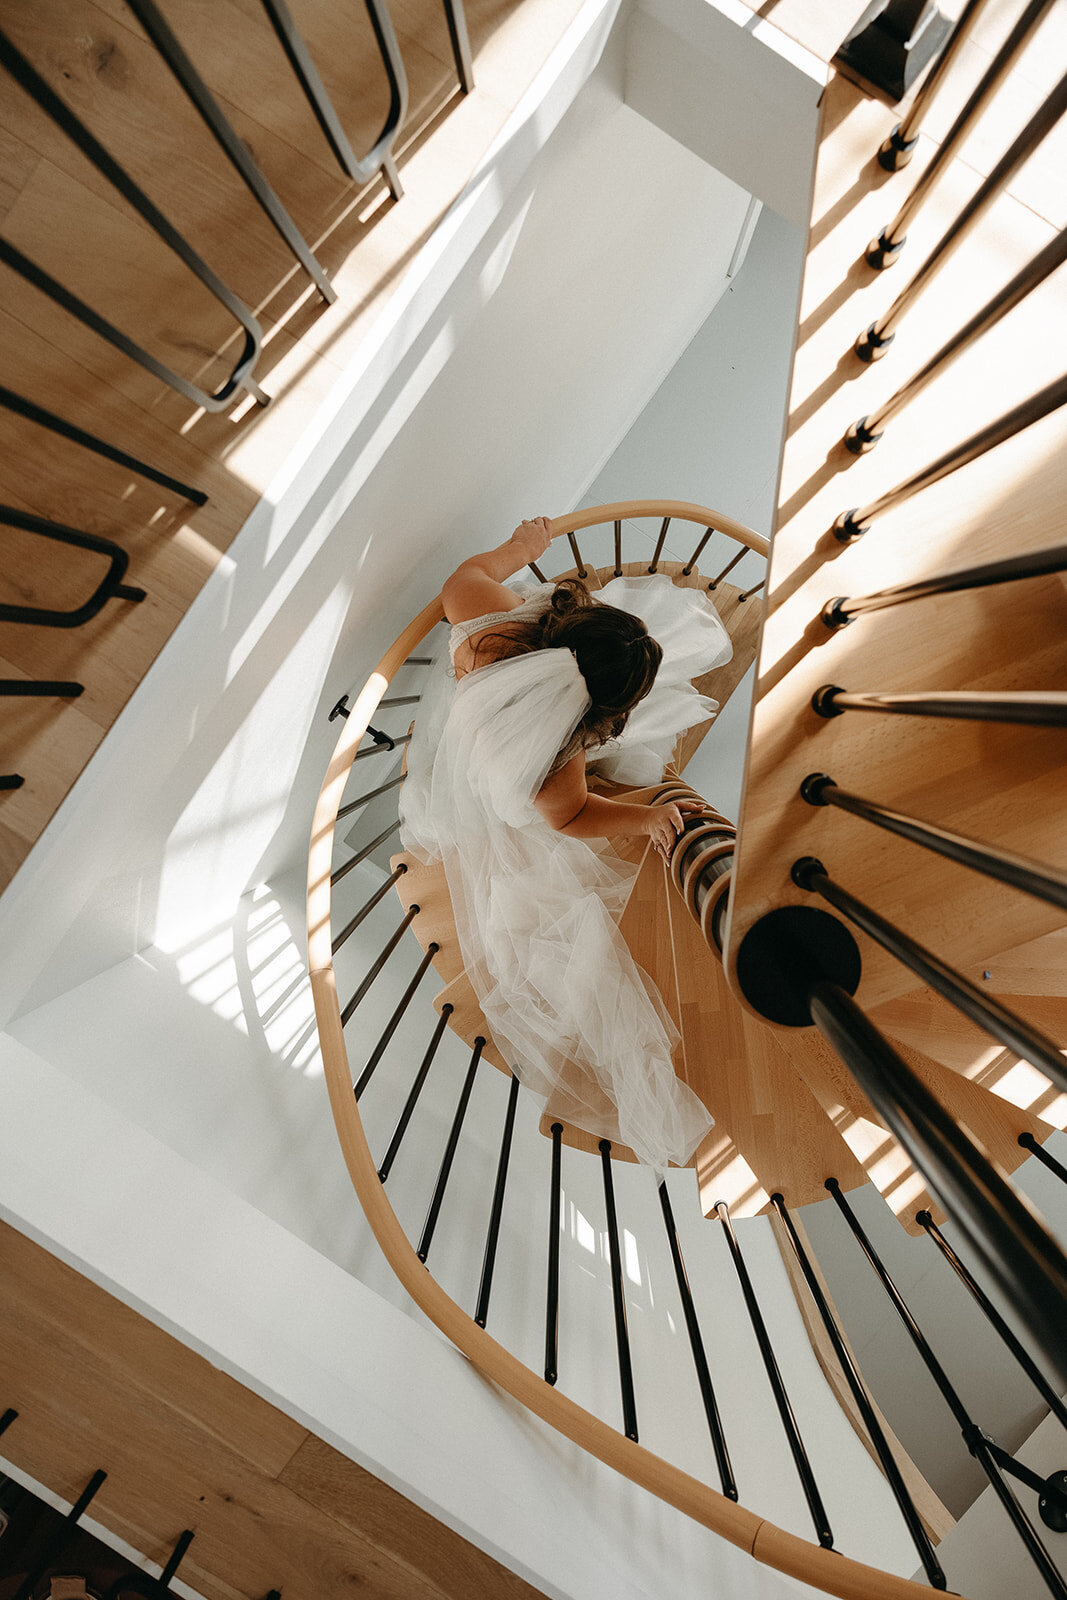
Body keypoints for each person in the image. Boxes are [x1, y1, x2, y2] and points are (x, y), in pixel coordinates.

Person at [400, 517, 733, 1170]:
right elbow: (570, 818)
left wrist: (519, 550)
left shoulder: (489, 625)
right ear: (593, 721)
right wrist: (643, 820)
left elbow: (463, 575)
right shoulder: (556, 761)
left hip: (475, 732)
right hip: (503, 771)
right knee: (641, 775)